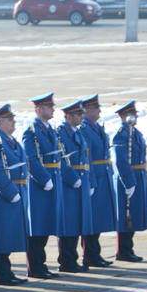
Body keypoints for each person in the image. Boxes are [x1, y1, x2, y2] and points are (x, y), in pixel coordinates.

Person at [0, 104, 29, 286]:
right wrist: (10, 192)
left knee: (10, 236)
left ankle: (7, 272)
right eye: (10, 119)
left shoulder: (12, 142)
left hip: (17, 192)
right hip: (5, 197)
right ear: (1, 123)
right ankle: (1, 274)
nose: (14, 122)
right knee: (3, 237)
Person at [22, 93, 63, 279]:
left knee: (46, 224)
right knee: (37, 226)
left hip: (51, 180)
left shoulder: (48, 129)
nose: (53, 109)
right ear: (39, 110)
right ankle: (35, 266)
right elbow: (30, 158)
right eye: (49, 107)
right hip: (40, 184)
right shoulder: (31, 131)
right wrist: (43, 178)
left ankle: (41, 264)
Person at [56, 99, 94, 273]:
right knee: (68, 223)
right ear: (68, 116)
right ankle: (66, 261)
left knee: (78, 222)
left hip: (81, 181)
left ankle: (73, 259)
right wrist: (72, 178)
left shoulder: (77, 133)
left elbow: (86, 159)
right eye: (78, 114)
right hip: (69, 184)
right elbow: (60, 160)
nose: (81, 117)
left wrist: (90, 181)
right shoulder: (61, 133)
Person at [79, 95, 116, 267]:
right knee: (91, 219)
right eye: (96, 108)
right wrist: (91, 181)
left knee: (99, 218)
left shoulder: (96, 127)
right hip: (95, 177)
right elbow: (88, 158)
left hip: (103, 176)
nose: (100, 110)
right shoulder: (85, 130)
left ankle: (95, 253)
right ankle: (90, 255)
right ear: (87, 110)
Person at [111, 101, 147, 262]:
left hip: (139, 176)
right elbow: (121, 161)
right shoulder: (121, 134)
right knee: (126, 215)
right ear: (122, 116)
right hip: (128, 177)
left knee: (134, 214)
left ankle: (129, 248)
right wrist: (129, 182)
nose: (135, 117)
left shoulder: (135, 132)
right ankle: (123, 251)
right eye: (130, 114)